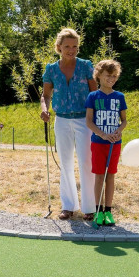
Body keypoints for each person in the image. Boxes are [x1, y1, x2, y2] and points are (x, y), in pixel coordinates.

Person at [40, 28, 98, 220]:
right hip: (62, 120)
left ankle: (89, 208)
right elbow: (46, 95)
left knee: (85, 162)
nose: (71, 50)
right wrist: (44, 108)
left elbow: (94, 92)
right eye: (67, 46)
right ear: (59, 47)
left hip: (84, 119)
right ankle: (68, 206)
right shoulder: (51, 69)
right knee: (65, 163)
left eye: (74, 46)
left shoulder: (86, 66)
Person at [85, 59, 127, 226]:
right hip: (98, 142)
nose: (112, 78)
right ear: (99, 76)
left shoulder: (119, 96)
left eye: (115, 76)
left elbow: (124, 121)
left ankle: (108, 211)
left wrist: (118, 131)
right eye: (108, 75)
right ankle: (98, 211)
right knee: (99, 176)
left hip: (114, 144)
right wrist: (102, 134)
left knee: (111, 176)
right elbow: (89, 121)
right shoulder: (93, 96)